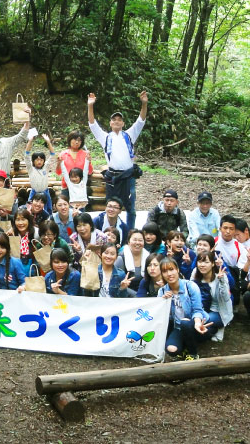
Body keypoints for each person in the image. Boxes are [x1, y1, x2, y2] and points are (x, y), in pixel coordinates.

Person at [87, 90, 148, 230]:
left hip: (128, 176)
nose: (116, 121)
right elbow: (92, 124)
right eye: (114, 119)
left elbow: (141, 121)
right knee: (112, 208)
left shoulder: (129, 135)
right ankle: (112, 231)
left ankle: (130, 232)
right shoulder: (105, 138)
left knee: (131, 208)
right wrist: (90, 105)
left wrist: (144, 103)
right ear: (110, 123)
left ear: (123, 123)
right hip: (113, 178)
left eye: (119, 120)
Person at [158, 257, 209, 360]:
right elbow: (162, 317)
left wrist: (198, 323)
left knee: (185, 322)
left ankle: (193, 354)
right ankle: (184, 346)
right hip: (178, 327)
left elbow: (197, 310)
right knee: (171, 350)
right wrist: (164, 302)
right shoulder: (162, 291)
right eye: (165, 271)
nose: (169, 274)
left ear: (177, 269)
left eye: (171, 269)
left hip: (196, 325)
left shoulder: (190, 286)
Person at [189, 251, 233, 343]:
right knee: (193, 323)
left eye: (206, 262)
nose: (202, 265)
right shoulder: (195, 272)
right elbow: (190, 291)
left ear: (213, 264)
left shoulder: (220, 276)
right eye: (200, 262)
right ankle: (214, 329)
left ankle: (220, 325)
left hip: (218, 311)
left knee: (198, 323)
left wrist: (221, 281)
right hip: (201, 308)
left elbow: (226, 297)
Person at [214, 215, 247, 304]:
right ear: (220, 228)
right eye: (225, 228)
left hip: (231, 276)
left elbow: (241, 268)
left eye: (231, 229)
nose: (228, 231)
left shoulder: (239, 247)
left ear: (234, 230)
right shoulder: (213, 243)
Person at [24, 132, 55, 213]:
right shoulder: (31, 168)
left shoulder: (46, 167)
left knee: (48, 210)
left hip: (45, 191)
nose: (39, 161)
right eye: (37, 159)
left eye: (41, 160)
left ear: (44, 161)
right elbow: (26, 155)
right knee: (29, 209)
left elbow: (52, 155)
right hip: (34, 192)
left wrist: (48, 142)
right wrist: (30, 141)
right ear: (33, 161)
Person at [115, 229, 149, 295]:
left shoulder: (148, 257)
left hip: (144, 296)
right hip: (125, 295)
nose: (137, 243)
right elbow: (116, 284)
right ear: (128, 242)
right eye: (135, 240)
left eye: (140, 240)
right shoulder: (121, 258)